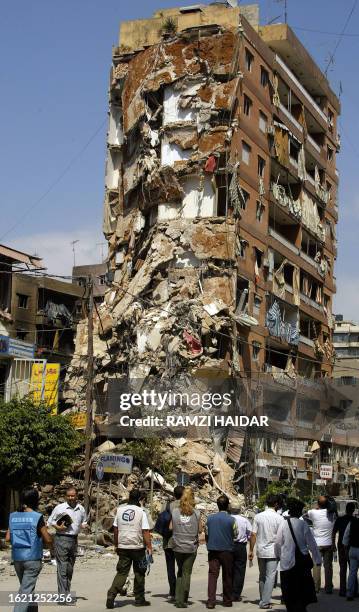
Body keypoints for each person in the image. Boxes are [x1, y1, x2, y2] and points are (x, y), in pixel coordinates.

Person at [6, 487, 53, 612]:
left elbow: (7, 538)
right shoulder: (37, 517)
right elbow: (47, 539)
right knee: (25, 592)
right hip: (32, 559)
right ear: (35, 500)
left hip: (17, 558)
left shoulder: (13, 516)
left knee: (27, 588)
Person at [106, 489, 152, 608]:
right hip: (138, 547)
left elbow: (115, 529)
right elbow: (145, 531)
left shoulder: (120, 510)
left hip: (123, 546)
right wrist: (149, 546)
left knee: (122, 572)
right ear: (139, 499)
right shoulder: (141, 512)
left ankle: (111, 594)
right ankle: (139, 599)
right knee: (140, 572)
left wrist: (116, 544)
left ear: (129, 497)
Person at [274, 497, 321, 612]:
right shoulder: (303, 524)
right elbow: (312, 544)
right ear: (299, 511)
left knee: (289, 590)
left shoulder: (283, 524)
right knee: (302, 590)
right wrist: (317, 559)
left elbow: (277, 543)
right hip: (302, 563)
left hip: (287, 563)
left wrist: (279, 556)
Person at [47, 486, 87, 602]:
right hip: (61, 539)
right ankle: (62, 595)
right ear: (66, 496)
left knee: (70, 568)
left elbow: (83, 522)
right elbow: (50, 522)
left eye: (73, 495)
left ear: (76, 496)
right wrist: (58, 526)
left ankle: (66, 593)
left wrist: (83, 526)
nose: (71, 497)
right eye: (69, 495)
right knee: (62, 567)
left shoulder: (81, 509)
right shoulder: (60, 508)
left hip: (74, 540)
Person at [249, 494, 284, 610]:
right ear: (276, 504)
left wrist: (251, 550)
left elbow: (253, 534)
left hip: (260, 550)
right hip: (273, 551)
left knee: (262, 576)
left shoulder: (258, 516)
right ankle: (265, 602)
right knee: (270, 577)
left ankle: (263, 599)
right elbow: (281, 537)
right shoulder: (280, 518)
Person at [170, 487, 201, 609]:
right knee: (186, 572)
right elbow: (200, 530)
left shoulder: (175, 512)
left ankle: (178, 598)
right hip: (190, 547)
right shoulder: (197, 513)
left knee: (180, 571)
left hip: (177, 546)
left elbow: (171, 527)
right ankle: (182, 600)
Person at [205, 494, 238, 609]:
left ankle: (211, 601)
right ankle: (227, 600)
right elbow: (236, 534)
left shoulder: (209, 519)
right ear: (227, 506)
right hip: (227, 550)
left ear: (217, 505)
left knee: (212, 575)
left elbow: (206, 533)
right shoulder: (232, 520)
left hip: (213, 549)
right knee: (227, 575)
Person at [306, 495, 335, 594]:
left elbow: (304, 515)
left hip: (317, 544)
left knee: (316, 565)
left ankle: (316, 587)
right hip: (329, 544)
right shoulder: (332, 514)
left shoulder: (313, 513)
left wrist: (316, 508)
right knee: (328, 566)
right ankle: (328, 588)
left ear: (318, 504)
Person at [161, 485, 184, 602]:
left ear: (174, 494)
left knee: (170, 567)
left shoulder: (167, 505)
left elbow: (161, 519)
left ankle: (172, 591)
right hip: (182, 541)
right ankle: (181, 590)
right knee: (182, 567)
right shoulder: (186, 506)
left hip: (168, 541)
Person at [333, 502, 356, 596]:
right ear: (353, 510)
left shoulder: (340, 519)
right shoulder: (355, 520)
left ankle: (342, 590)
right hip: (352, 547)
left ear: (346, 509)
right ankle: (354, 590)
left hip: (341, 547)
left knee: (343, 568)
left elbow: (334, 532)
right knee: (353, 569)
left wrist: (333, 544)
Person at [231, 507, 252, 602]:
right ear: (239, 510)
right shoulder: (244, 520)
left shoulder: (228, 519)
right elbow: (250, 533)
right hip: (241, 546)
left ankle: (229, 592)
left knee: (229, 569)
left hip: (229, 546)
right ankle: (236, 594)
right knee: (240, 571)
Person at [342, 513, 359, 600]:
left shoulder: (352, 522)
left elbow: (345, 537)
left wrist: (346, 549)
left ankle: (349, 593)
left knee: (352, 572)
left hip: (352, 549)